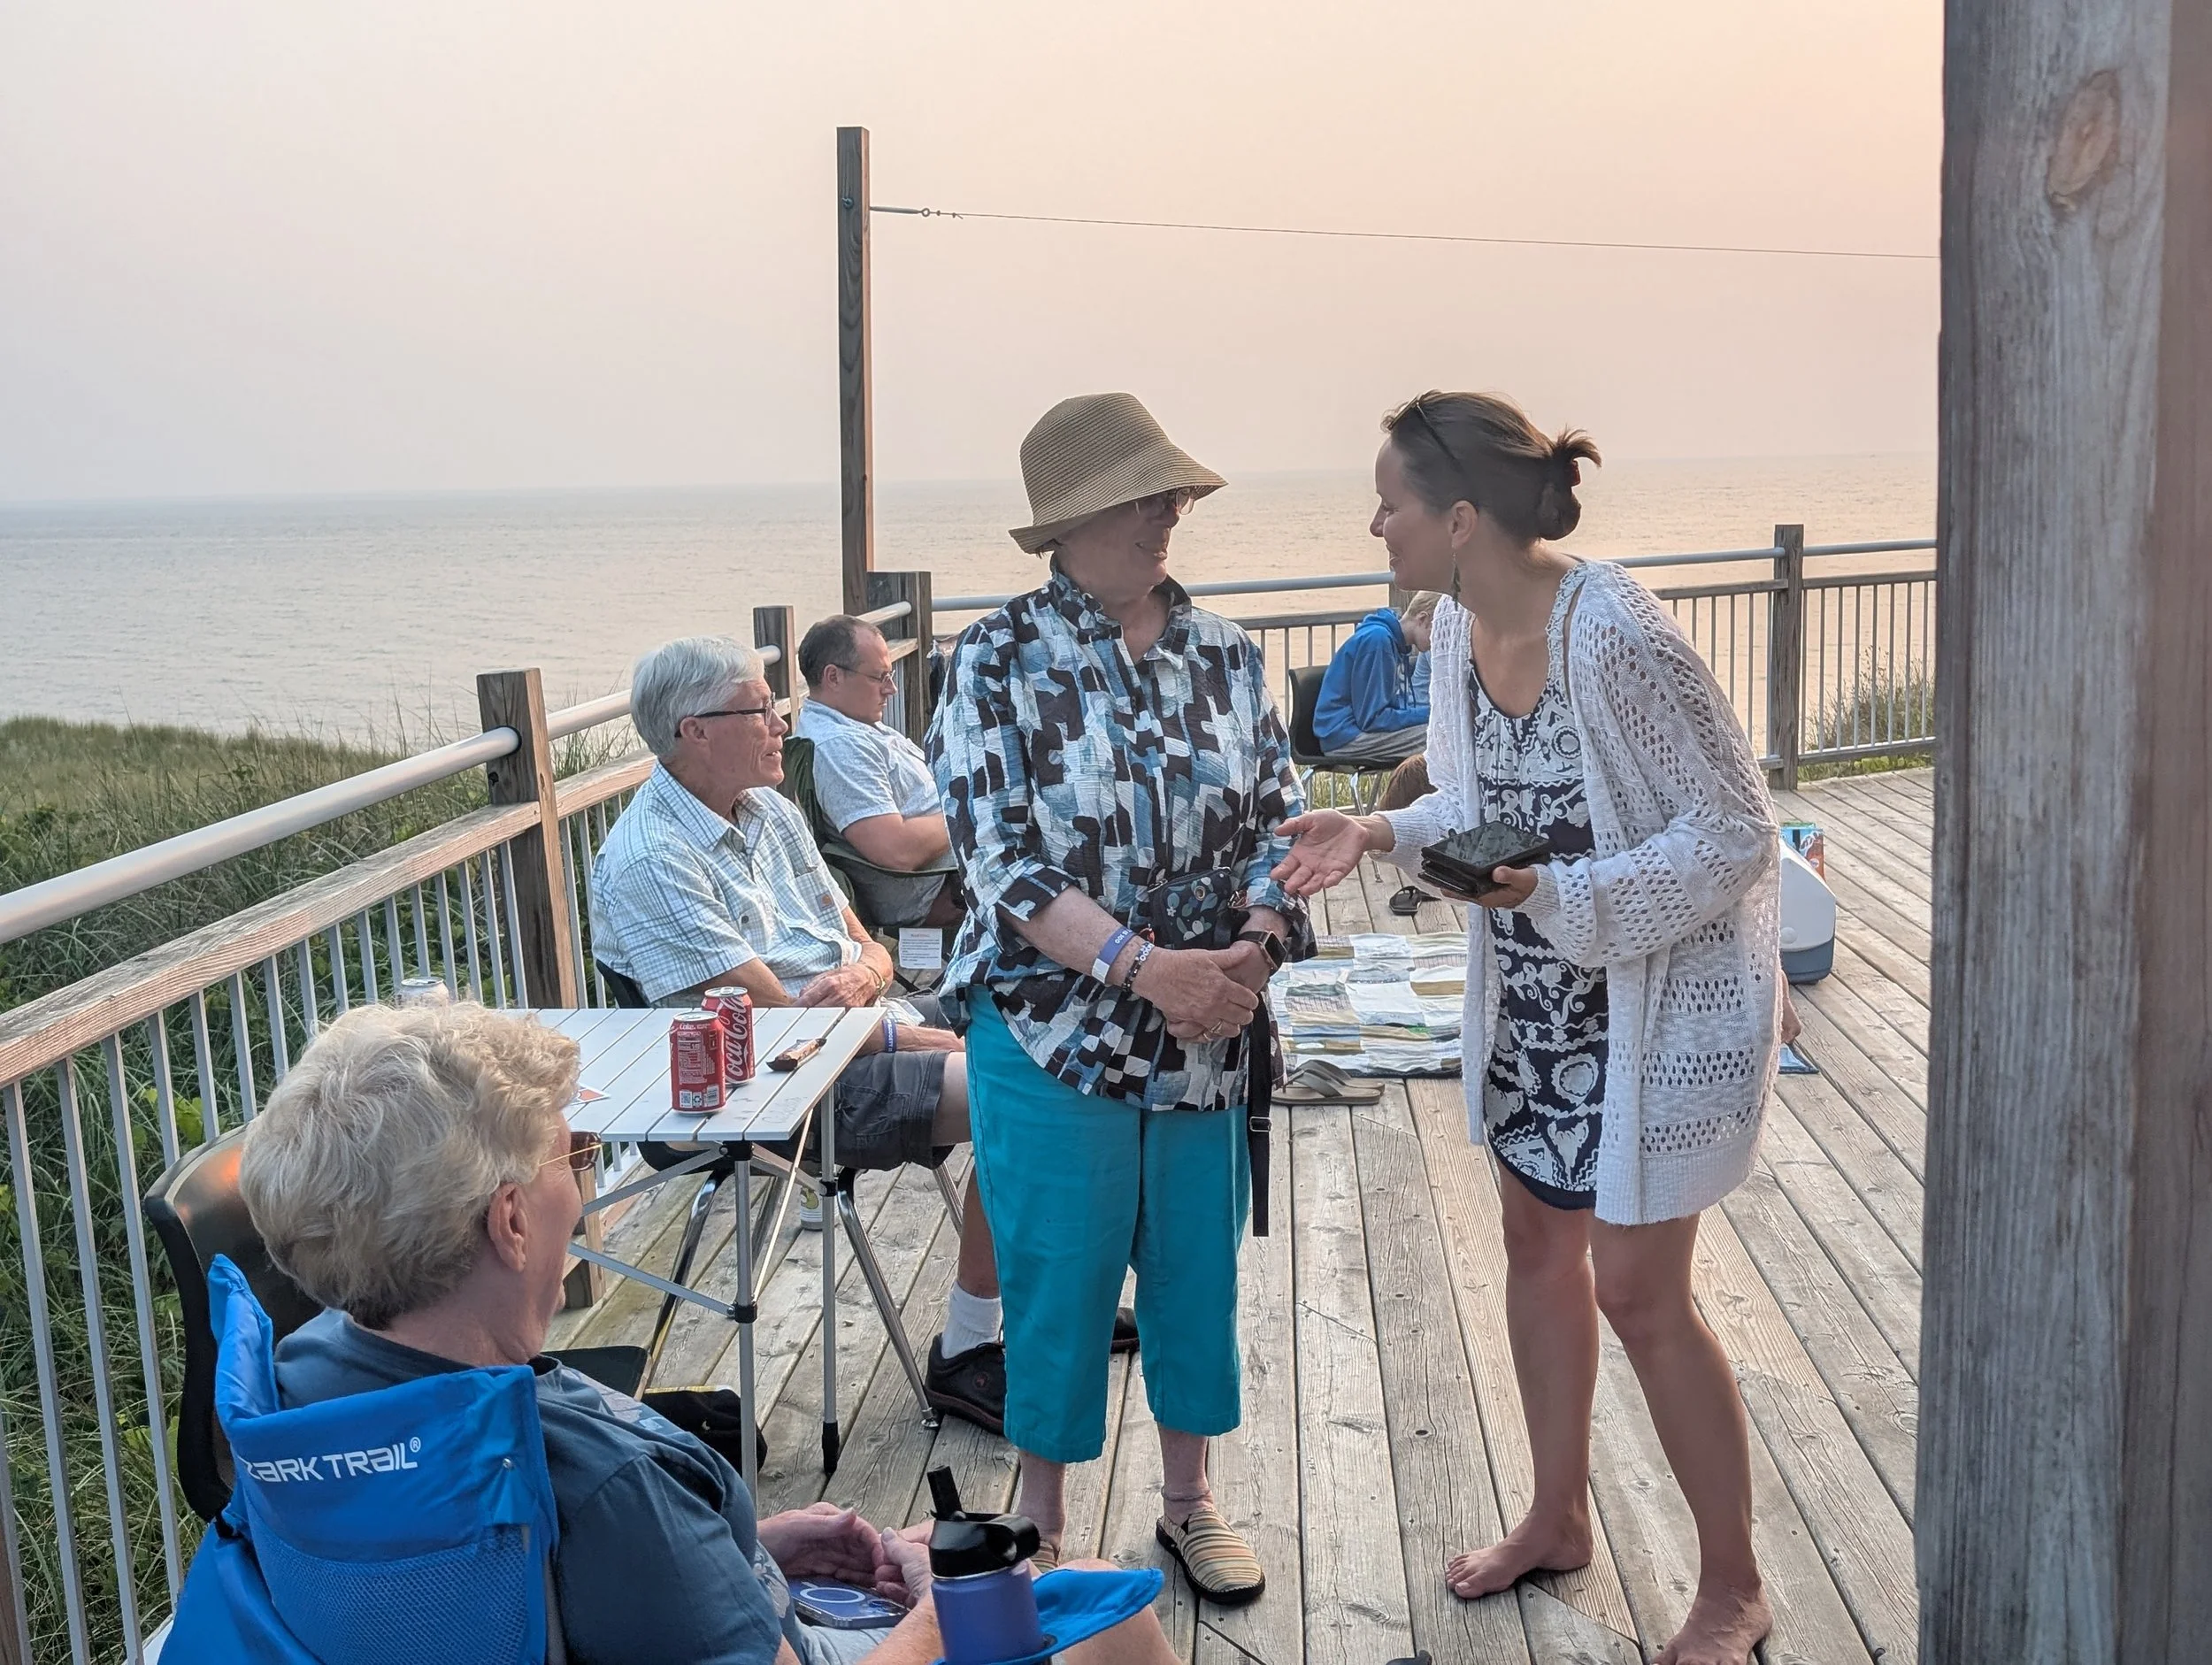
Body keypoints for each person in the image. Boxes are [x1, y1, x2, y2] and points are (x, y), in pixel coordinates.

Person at [1272, 390, 1789, 1665]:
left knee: (1642, 1292)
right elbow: (1468, 789)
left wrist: (1559, 893)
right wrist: (1380, 828)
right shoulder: (1452, 627)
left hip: (1659, 1007)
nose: (1372, 520)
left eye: (1388, 499)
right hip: (1540, 999)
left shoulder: (1617, 633)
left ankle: (1734, 1581)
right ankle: (1559, 1513)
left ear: (1456, 518)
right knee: (1532, 1244)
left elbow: (1735, 832)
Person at [237, 1000, 1185, 1665]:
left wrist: (741, 1546)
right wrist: (943, 1605)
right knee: (1106, 1609)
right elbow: (615, 1531)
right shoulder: (605, 1484)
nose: (586, 1180)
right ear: (511, 1222)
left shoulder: (307, 1381)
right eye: (577, 1153)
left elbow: (527, 1583)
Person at [929, 392, 1310, 1606]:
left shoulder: (1229, 655)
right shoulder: (992, 659)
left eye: (1174, 495)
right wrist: (1150, 969)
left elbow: (1283, 829)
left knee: (1196, 1269)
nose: (1171, 513)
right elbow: (1003, 860)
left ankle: (1191, 1503)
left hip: (1210, 1027)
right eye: (1148, 496)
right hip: (1051, 1032)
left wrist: (1249, 952)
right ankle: (1039, 1518)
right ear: (1075, 519)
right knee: (1059, 1273)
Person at [588, 634, 1010, 1434]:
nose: (784, 724)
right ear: (694, 731)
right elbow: (761, 1024)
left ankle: (1047, 1304)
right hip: (770, 1086)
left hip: (854, 1029)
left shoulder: (770, 810)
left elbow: (866, 945)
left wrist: (871, 983)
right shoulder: (653, 858)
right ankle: (969, 1349)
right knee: (1013, 1097)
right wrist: (897, 1033)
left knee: (1051, 1032)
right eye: (762, 709)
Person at [793, 615, 964, 930]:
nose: (892, 689)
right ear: (833, 677)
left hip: (957, 869)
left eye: (891, 674)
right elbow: (895, 850)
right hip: (946, 889)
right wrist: (969, 810)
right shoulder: (839, 747)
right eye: (879, 677)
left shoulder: (855, 724)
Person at [1310, 589, 1438, 764]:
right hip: (1347, 737)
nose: (1440, 640)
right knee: (1443, 735)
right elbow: (1373, 719)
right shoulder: (1378, 642)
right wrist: (1433, 713)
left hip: (1355, 731)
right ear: (1423, 619)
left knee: (1444, 731)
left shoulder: (1390, 642)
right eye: (1440, 631)